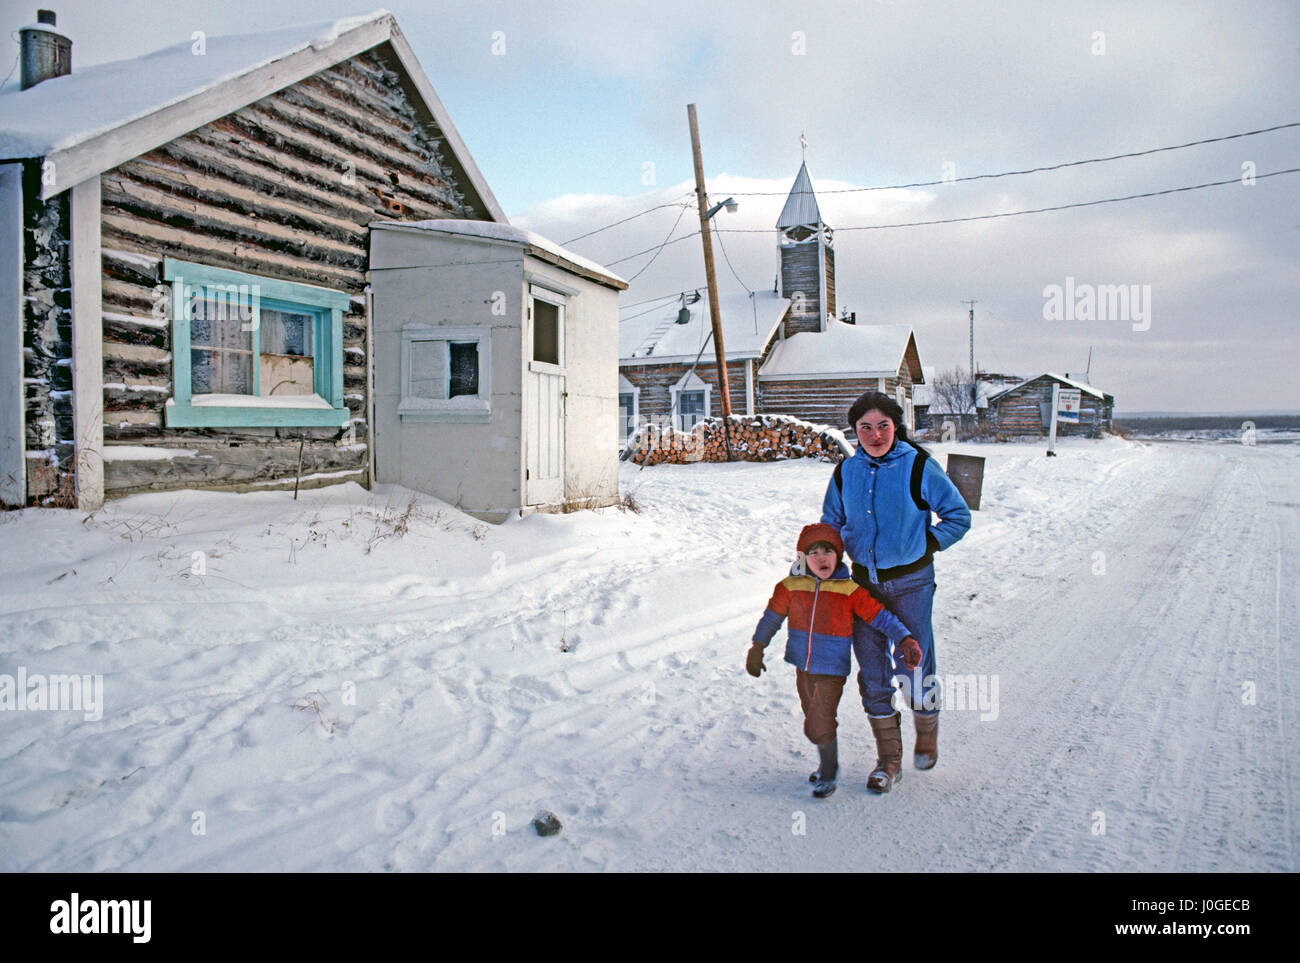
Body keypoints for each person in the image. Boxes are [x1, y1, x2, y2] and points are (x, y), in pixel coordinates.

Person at [822, 391, 971, 793]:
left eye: (883, 426)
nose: (874, 435)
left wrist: (929, 544)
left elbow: (958, 516)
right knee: (872, 673)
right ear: (854, 432)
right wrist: (824, 559)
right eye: (865, 428)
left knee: (914, 666)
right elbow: (830, 524)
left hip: (912, 584)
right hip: (862, 587)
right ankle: (888, 760)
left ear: (896, 426)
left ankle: (927, 728)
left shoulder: (919, 465)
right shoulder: (844, 473)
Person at [746, 523, 920, 799]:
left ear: (838, 556)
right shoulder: (790, 586)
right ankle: (826, 761)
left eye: (828, 551)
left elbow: (880, 616)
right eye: (814, 552)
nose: (822, 558)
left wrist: (905, 638)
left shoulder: (848, 590)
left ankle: (829, 771)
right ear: (803, 557)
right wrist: (758, 646)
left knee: (819, 719)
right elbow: (772, 617)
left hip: (831, 670)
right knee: (812, 715)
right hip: (802, 666)